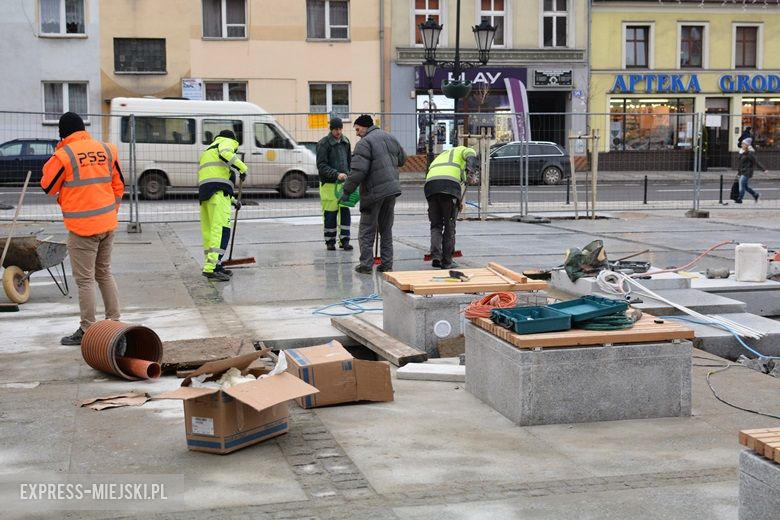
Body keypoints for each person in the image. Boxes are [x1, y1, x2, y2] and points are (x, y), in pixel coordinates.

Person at [41, 112, 125, 345]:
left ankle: (88, 329)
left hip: (82, 229)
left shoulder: (64, 155)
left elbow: (47, 186)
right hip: (108, 224)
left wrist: (58, 151)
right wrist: (111, 212)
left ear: (62, 133)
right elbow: (119, 185)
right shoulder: (107, 149)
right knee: (104, 273)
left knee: (86, 280)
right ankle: (114, 323)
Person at [341, 114, 407, 274]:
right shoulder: (390, 138)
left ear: (364, 127)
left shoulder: (364, 143)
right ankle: (386, 264)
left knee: (366, 229)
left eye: (357, 129)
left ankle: (365, 265)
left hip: (374, 192)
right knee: (386, 229)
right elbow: (402, 159)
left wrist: (346, 191)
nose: (356, 133)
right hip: (391, 190)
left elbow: (358, 172)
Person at [198, 129, 248, 281]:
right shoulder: (226, 142)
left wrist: (233, 201)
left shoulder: (208, 150)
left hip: (206, 195)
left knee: (210, 232)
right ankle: (211, 268)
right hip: (218, 195)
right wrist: (242, 167)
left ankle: (214, 264)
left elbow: (216, 178)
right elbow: (226, 152)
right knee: (221, 230)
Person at [424, 146, 478, 269]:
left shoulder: (443, 156)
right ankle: (447, 261)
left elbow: (456, 177)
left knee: (436, 225)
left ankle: (436, 257)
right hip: (449, 186)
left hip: (430, 187)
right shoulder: (464, 150)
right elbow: (471, 155)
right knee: (449, 225)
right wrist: (472, 171)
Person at [316, 117, 353, 251]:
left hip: (343, 184)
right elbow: (321, 165)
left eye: (340, 129)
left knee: (345, 212)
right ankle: (330, 241)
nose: (338, 132)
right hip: (329, 185)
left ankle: (345, 240)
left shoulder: (346, 142)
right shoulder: (323, 144)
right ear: (331, 129)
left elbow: (349, 162)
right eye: (335, 129)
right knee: (330, 214)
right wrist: (336, 174)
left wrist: (349, 174)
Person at [735, 137, 768, 204]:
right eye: (742, 144)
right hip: (742, 172)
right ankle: (756, 195)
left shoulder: (750, 153)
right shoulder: (742, 152)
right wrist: (739, 172)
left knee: (741, 185)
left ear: (747, 145)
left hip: (747, 172)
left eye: (743, 144)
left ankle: (739, 199)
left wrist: (763, 169)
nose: (742, 145)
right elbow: (740, 163)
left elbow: (756, 162)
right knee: (745, 187)